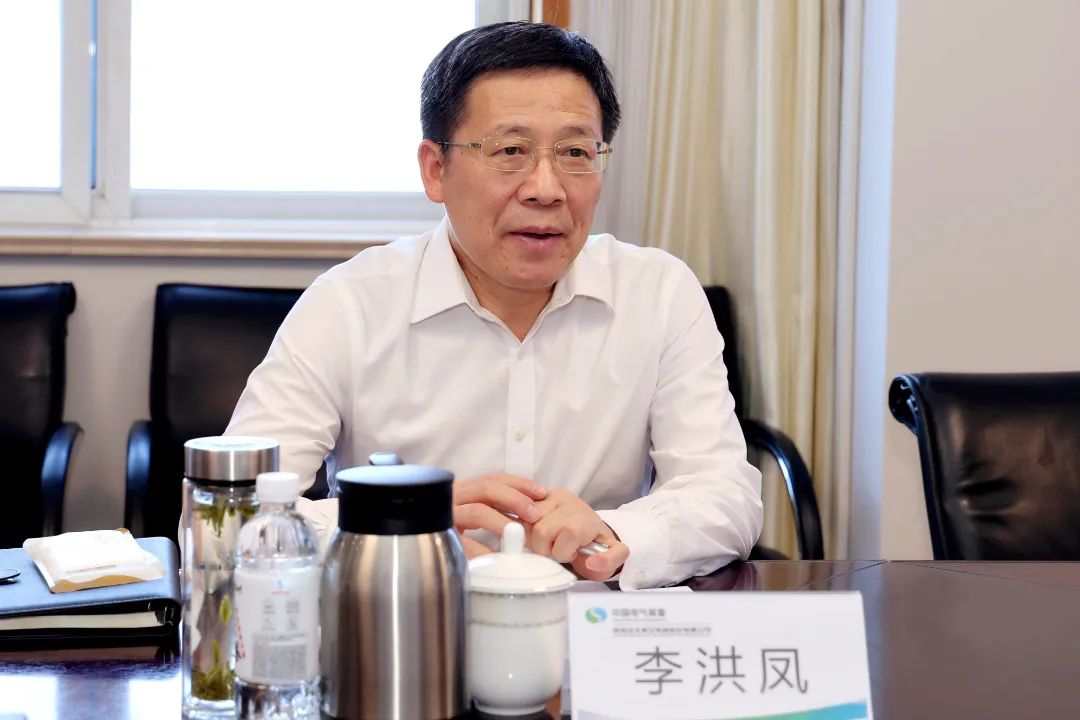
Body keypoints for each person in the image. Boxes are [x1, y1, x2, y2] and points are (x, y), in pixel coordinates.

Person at [226, 21, 762, 589]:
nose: (546, 189)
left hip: (594, 622)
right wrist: (403, 522)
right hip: (407, 621)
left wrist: (614, 532)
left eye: (575, 152)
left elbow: (724, 493)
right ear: (436, 170)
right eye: (511, 151)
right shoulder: (348, 305)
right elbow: (231, 515)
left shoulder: (658, 292)